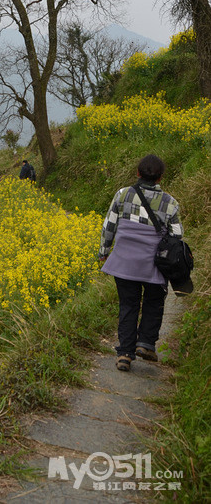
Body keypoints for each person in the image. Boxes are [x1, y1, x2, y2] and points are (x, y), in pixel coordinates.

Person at [99, 153, 184, 372]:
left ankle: (125, 354)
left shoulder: (123, 194)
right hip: (154, 265)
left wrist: (104, 251)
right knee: (154, 302)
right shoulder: (170, 203)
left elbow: (109, 225)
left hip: (125, 263)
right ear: (160, 178)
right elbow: (176, 237)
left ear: (137, 173)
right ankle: (146, 343)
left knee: (128, 305)